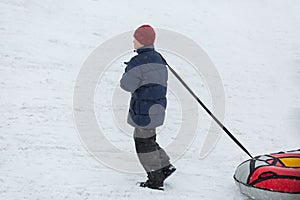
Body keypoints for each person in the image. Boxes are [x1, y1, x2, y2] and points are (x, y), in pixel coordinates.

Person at [120, 24, 176, 190]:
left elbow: (126, 85)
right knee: (149, 140)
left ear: (142, 41)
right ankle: (165, 166)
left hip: (144, 109)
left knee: (143, 144)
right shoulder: (158, 58)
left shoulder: (138, 61)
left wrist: (128, 70)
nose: (133, 42)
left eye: (135, 40)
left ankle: (155, 178)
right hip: (157, 107)